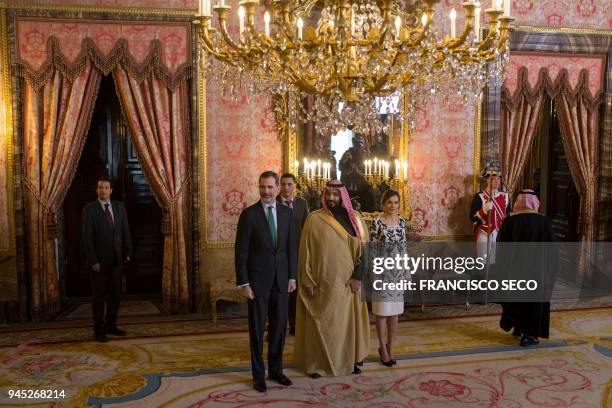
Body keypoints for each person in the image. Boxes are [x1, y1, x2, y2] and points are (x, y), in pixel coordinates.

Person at [294, 180, 370, 378]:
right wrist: (307, 280)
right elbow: (306, 252)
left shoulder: (356, 220)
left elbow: (365, 250)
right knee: (322, 324)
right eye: (328, 194)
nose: (331, 198)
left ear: (343, 196)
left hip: (349, 285)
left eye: (336, 195)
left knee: (346, 325)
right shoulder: (314, 219)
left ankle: (349, 360)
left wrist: (358, 277)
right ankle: (317, 364)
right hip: (323, 284)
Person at [235, 171, 297, 392]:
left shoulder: (287, 214)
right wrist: (244, 283)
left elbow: (291, 248)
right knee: (257, 331)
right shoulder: (249, 215)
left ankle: (276, 371)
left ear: (278, 187)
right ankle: (258, 375)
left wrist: (292, 276)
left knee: (280, 329)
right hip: (257, 284)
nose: (266, 191)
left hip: (281, 282)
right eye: (262, 187)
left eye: (270, 187)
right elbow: (241, 252)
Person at [497, 189, 556, 347]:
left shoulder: (509, 221)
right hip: (537, 271)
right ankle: (529, 335)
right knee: (533, 302)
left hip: (515, 270)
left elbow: (501, 248)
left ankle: (519, 328)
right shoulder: (544, 222)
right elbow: (552, 251)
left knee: (516, 299)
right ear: (535, 202)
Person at [82, 177, 132, 343]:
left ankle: (111, 325)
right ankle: (99, 330)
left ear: (111, 190)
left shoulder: (119, 207)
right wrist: (93, 260)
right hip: (99, 263)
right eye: (100, 187)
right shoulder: (89, 209)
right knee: (98, 298)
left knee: (115, 296)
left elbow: (125, 230)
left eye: (106, 188)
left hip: (117, 260)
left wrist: (128, 251)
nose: (103, 190)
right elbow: (87, 238)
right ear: (97, 190)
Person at [369, 189, 408, 367]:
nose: (393, 206)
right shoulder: (376, 223)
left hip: (398, 272)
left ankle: (390, 347)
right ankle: (382, 349)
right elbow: (372, 250)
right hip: (383, 272)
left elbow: (404, 248)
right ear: (383, 204)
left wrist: (407, 271)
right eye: (389, 202)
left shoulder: (401, 222)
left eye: (396, 203)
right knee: (383, 312)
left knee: (395, 313)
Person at [277, 173, 309, 335]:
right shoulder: (273, 203)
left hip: (297, 254)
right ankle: (277, 325)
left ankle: (294, 324)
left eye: (289, 184)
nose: (286, 188)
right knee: (279, 292)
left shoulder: (301, 204)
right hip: (278, 255)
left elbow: (307, 229)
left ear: (295, 185)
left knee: (295, 292)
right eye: (283, 184)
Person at [469, 166, 511, 265]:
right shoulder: (480, 196)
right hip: (485, 233)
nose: (496, 181)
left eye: (498, 179)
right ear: (487, 181)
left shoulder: (505, 196)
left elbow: (509, 215)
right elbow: (472, 217)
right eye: (493, 179)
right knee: (483, 261)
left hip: (501, 233)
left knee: (499, 261)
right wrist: (484, 210)